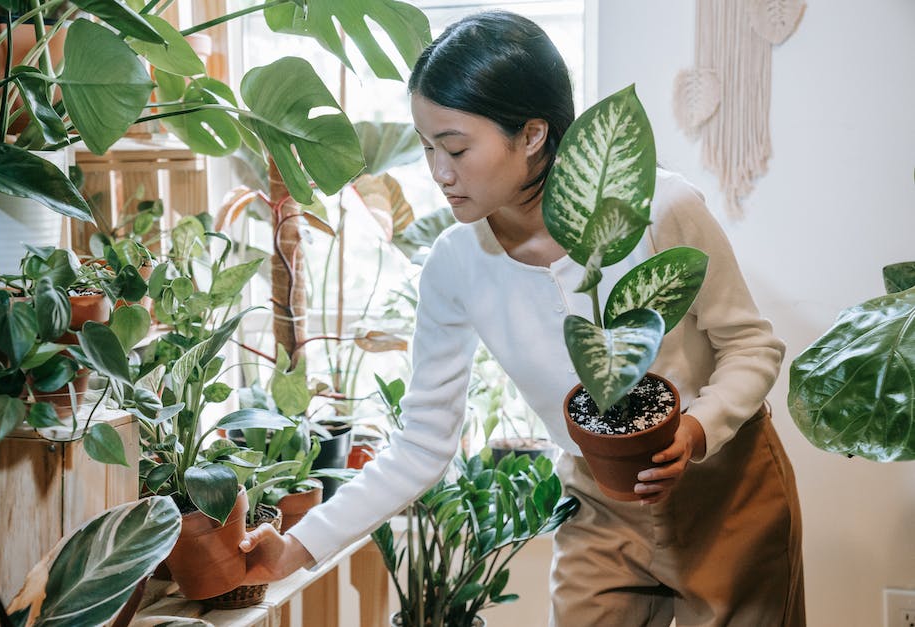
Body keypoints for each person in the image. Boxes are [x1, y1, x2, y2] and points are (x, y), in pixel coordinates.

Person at [240, 10, 805, 626]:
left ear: (533, 134)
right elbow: (422, 442)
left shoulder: (658, 209)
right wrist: (295, 548)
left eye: (455, 148)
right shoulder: (455, 264)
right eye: (429, 147)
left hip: (726, 492)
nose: (438, 172)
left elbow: (752, 347)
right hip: (599, 505)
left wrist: (696, 430)